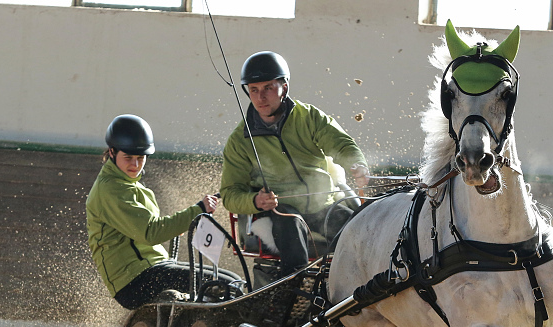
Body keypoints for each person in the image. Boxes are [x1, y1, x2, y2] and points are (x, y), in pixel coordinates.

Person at [220, 51, 370, 276]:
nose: (260, 97)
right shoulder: (239, 139)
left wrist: (357, 165)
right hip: (279, 211)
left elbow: (342, 146)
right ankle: (295, 284)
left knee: (356, 229)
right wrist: (255, 200)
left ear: (284, 87)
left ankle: (359, 284)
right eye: (254, 90)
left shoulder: (309, 117)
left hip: (323, 205)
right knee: (289, 221)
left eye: (268, 88)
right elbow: (230, 194)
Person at [86, 114, 238, 310]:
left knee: (232, 281)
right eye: (129, 158)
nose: (135, 165)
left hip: (150, 269)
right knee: (222, 285)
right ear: (113, 152)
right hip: (135, 280)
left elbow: (149, 229)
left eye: (141, 158)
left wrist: (179, 225)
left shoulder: (127, 184)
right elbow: (151, 232)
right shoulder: (111, 190)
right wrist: (198, 210)